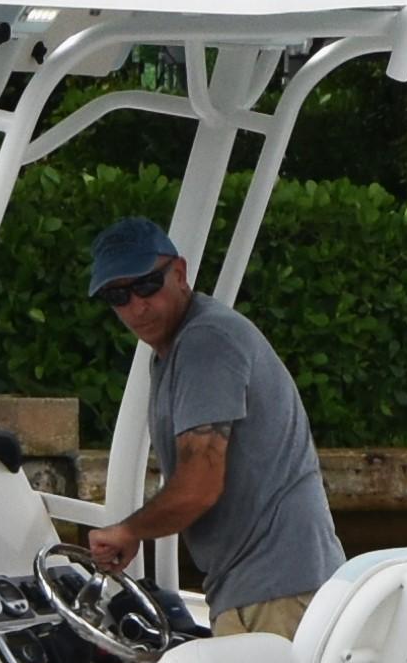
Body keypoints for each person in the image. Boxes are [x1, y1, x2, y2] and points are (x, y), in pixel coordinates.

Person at [80, 215, 343, 638]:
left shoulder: (206, 342)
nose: (136, 306)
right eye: (117, 295)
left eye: (147, 284)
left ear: (179, 273)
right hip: (270, 588)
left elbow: (199, 487)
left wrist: (127, 531)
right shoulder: (175, 350)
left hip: (276, 596)